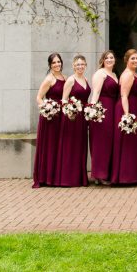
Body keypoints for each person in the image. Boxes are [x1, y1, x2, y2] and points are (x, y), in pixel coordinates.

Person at [54, 54, 90, 187]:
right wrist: (70, 112)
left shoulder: (86, 79)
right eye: (77, 64)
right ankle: (67, 178)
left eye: (82, 64)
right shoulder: (70, 80)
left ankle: (79, 177)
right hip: (71, 118)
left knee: (80, 146)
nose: (80, 67)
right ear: (73, 66)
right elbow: (64, 100)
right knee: (70, 146)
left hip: (83, 118)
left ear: (85, 66)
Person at [31, 53, 65, 188]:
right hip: (50, 118)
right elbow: (39, 98)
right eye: (54, 62)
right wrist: (47, 109)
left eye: (58, 62)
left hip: (61, 116)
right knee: (49, 146)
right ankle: (46, 177)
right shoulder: (49, 79)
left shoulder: (64, 77)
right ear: (50, 65)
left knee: (58, 146)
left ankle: (56, 176)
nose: (57, 64)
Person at [110, 49, 137, 184]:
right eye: (132, 59)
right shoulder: (128, 74)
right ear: (126, 60)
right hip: (127, 108)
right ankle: (125, 176)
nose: (135, 61)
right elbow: (124, 95)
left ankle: (132, 175)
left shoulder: (134, 73)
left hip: (134, 107)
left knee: (132, 143)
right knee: (127, 142)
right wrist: (127, 114)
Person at [87, 50, 119, 184]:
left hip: (113, 110)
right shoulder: (100, 73)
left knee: (109, 142)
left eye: (112, 57)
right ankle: (99, 175)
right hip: (102, 111)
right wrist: (93, 111)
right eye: (107, 58)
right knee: (101, 142)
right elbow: (96, 93)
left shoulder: (115, 74)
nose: (110, 60)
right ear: (103, 60)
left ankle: (106, 173)